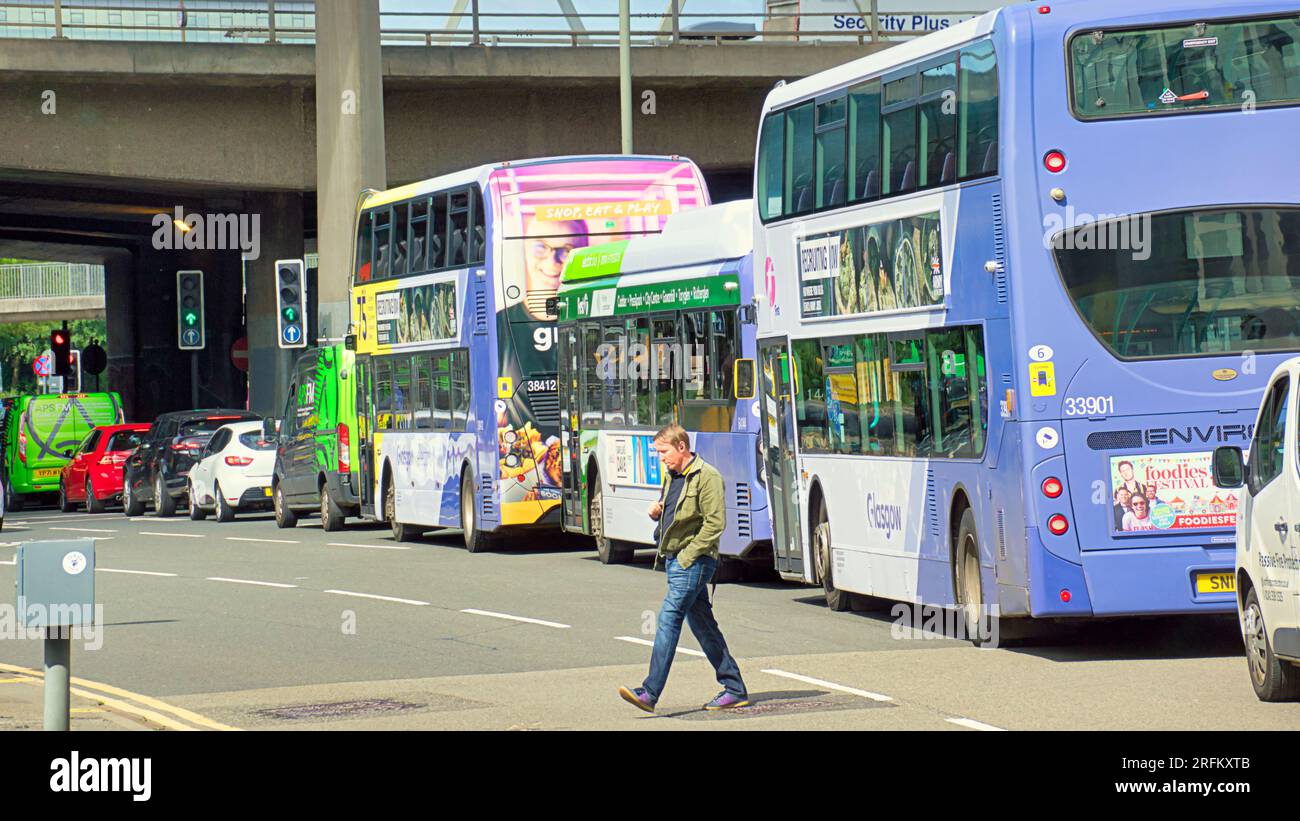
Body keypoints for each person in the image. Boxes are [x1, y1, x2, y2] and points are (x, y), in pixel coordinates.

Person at [619, 424, 749, 713]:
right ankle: (734, 688)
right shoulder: (673, 476)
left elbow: (715, 525)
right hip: (674, 560)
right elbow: (677, 515)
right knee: (703, 625)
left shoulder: (708, 477)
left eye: (663, 452)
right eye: (658, 453)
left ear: (681, 447)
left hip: (694, 561)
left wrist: (689, 556)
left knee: (668, 618)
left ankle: (649, 693)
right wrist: (657, 513)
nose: (660, 458)